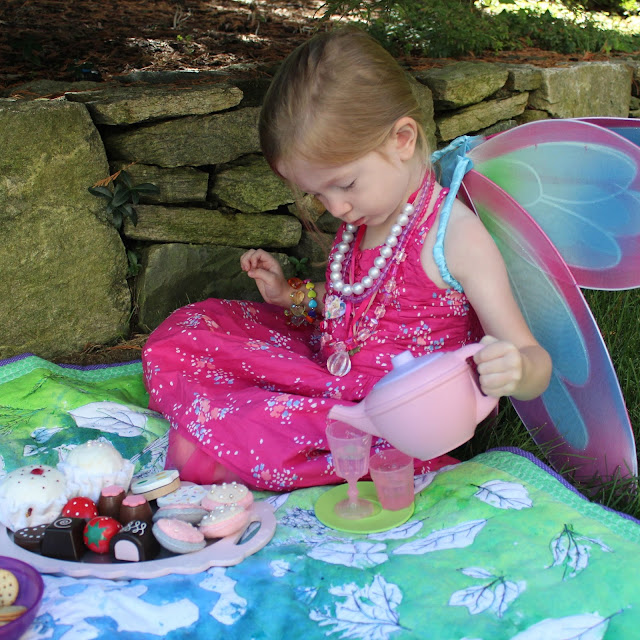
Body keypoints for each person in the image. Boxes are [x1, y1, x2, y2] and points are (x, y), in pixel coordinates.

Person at [142, 27, 552, 491]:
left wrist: (516, 369)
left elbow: (533, 358)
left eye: (344, 185)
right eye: (318, 193)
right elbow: (348, 307)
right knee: (192, 332)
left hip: (394, 410)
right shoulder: (367, 213)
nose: (335, 208)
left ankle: (256, 444)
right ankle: (248, 434)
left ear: (401, 139)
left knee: (210, 446)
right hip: (331, 368)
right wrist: (287, 295)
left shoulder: (453, 236)